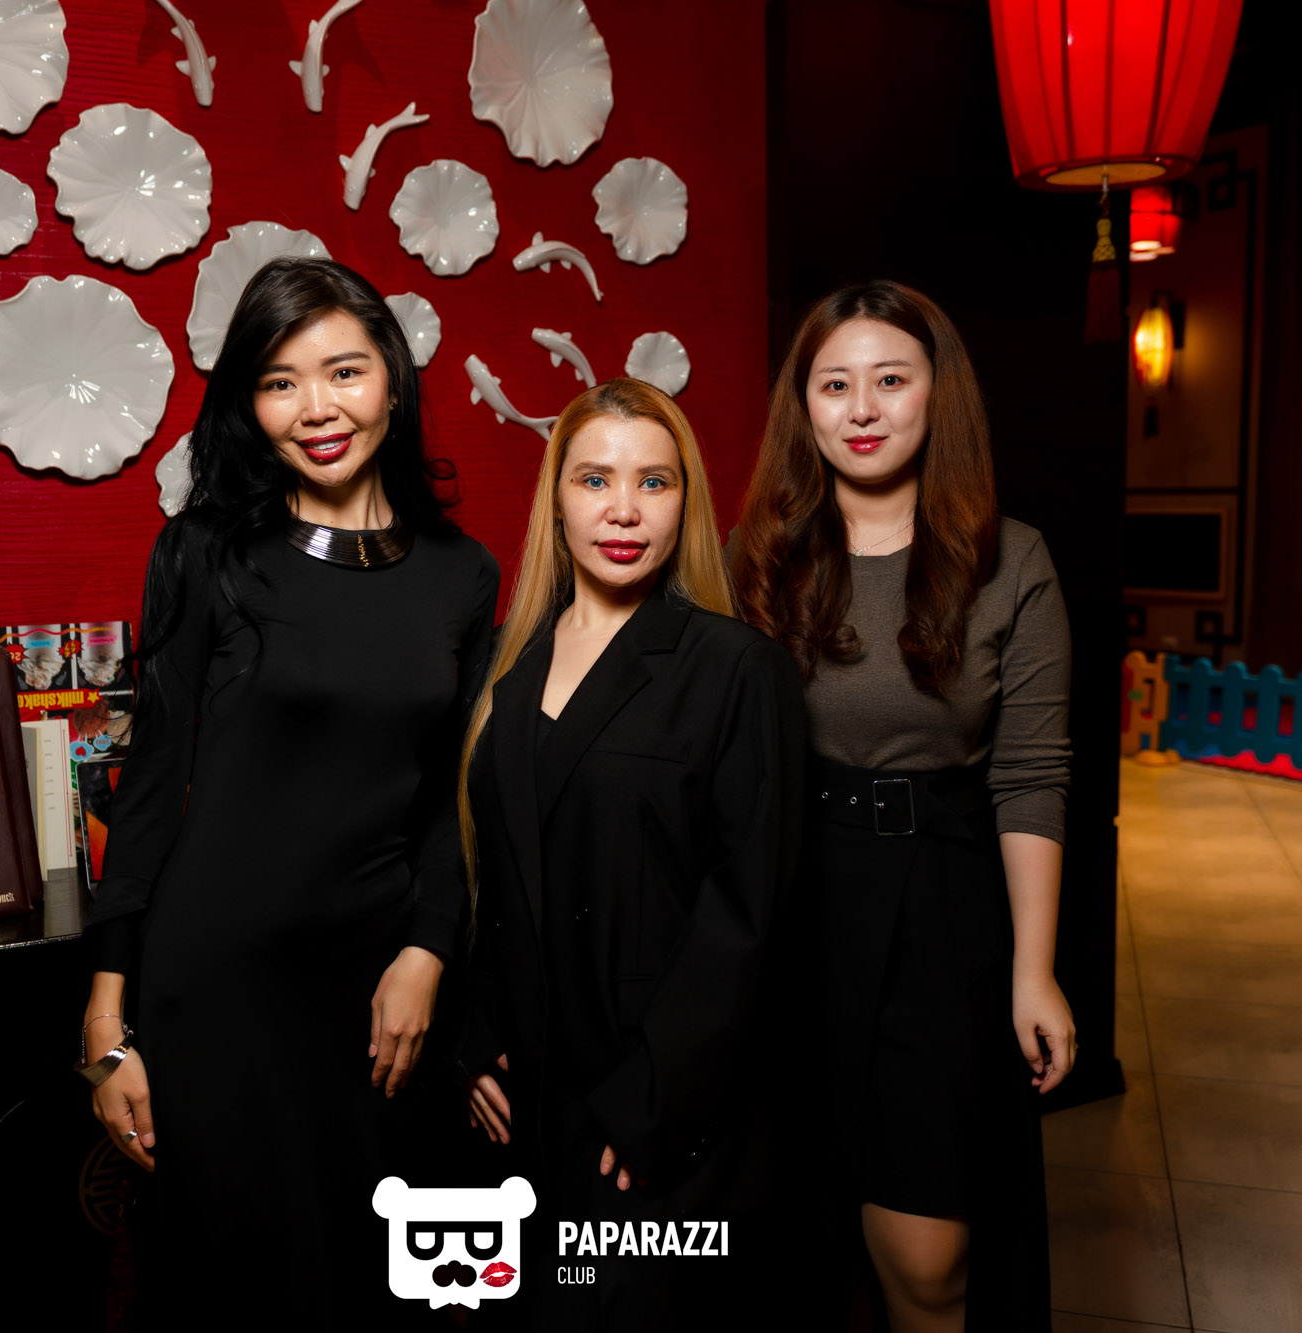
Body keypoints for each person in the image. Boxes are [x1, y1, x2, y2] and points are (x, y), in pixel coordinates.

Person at [75, 258, 498, 1323]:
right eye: (279, 381)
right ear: (248, 404)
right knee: (235, 1294)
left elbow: (456, 792)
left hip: (377, 988)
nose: (317, 407)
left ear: (391, 378)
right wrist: (108, 1014)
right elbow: (150, 783)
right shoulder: (205, 553)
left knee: (383, 1286)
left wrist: (427, 951)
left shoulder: (463, 573)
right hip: (215, 988)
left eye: (343, 371)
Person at [729, 279, 1075, 1332]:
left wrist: (1032, 970)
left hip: (940, 903)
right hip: (789, 900)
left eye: (890, 379)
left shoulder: (1010, 558)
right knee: (790, 1233)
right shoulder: (756, 556)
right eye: (834, 385)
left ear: (938, 393)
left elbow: (1030, 772)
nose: (863, 409)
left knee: (927, 1256)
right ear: (804, 405)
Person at [457, 378, 809, 1330]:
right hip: (521, 1107)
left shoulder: (739, 670)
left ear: (685, 502)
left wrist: (656, 1098)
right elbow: (486, 873)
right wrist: (473, 1037)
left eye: (654, 481)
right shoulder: (505, 663)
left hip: (654, 1116)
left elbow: (751, 915)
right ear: (556, 499)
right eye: (595, 479)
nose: (623, 509)